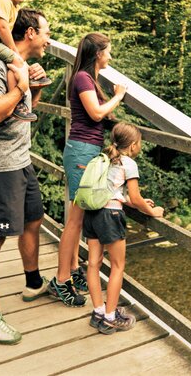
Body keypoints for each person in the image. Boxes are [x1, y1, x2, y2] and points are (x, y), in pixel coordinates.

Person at [0, 9, 53, 344]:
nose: (49, 39)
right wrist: (21, 86)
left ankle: (33, 282)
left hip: (20, 159)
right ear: (31, 33)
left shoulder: (19, 65)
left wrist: (34, 84)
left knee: (34, 219)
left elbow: (27, 112)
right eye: (47, 32)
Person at [49, 33, 127, 307]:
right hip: (82, 151)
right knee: (76, 220)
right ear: (98, 53)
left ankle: (71, 272)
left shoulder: (88, 78)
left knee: (79, 217)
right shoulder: (83, 77)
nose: (111, 57)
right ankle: (60, 281)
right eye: (109, 52)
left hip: (87, 150)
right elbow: (95, 114)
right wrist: (118, 97)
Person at [85, 122, 164, 334]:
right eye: (139, 143)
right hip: (110, 216)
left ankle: (99, 312)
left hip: (92, 214)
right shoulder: (128, 163)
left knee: (93, 264)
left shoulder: (104, 157)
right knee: (117, 267)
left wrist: (130, 201)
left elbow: (113, 190)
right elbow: (136, 197)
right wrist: (152, 212)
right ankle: (111, 318)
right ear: (133, 145)